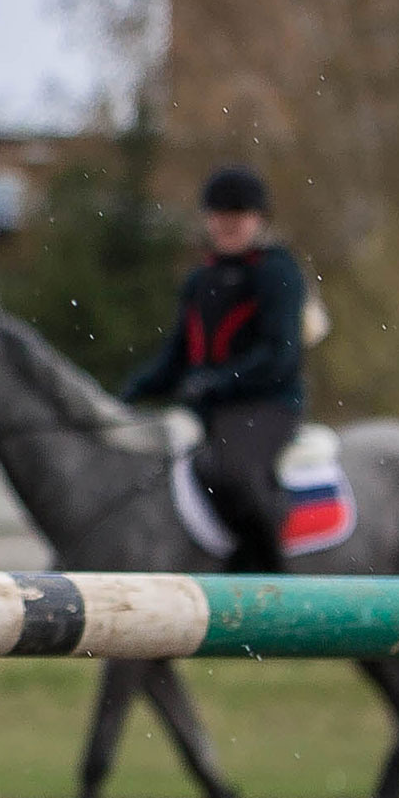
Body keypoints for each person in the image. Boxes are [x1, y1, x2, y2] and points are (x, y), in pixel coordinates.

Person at [120, 164, 308, 572]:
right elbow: (177, 356)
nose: (227, 224)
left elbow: (280, 354)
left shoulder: (277, 272)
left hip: (267, 405)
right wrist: (129, 394)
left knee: (234, 474)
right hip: (211, 409)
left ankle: (269, 571)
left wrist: (220, 382)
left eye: (238, 215)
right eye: (220, 215)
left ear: (257, 219)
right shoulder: (200, 280)